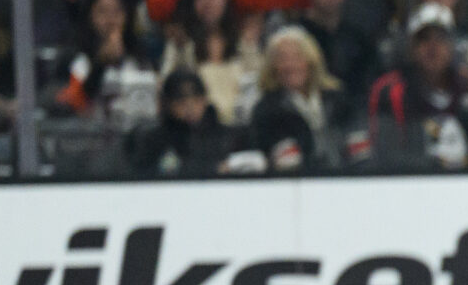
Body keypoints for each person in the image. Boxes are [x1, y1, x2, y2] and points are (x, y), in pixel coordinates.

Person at [364, 2, 468, 171]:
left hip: (467, 179)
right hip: (411, 179)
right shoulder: (390, 90)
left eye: (440, 38)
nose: (433, 47)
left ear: (452, 45)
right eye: (424, 39)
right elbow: (384, 152)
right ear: (411, 47)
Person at [242, 26, 336, 174]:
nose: (290, 65)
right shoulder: (265, 111)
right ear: (273, 67)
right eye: (282, 59)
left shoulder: (338, 100)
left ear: (311, 60)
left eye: (297, 57)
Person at [125, 66, 233, 177]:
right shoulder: (153, 140)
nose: (190, 107)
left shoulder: (223, 136)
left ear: (205, 99)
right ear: (168, 103)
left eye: (196, 99)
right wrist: (211, 169)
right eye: (181, 100)